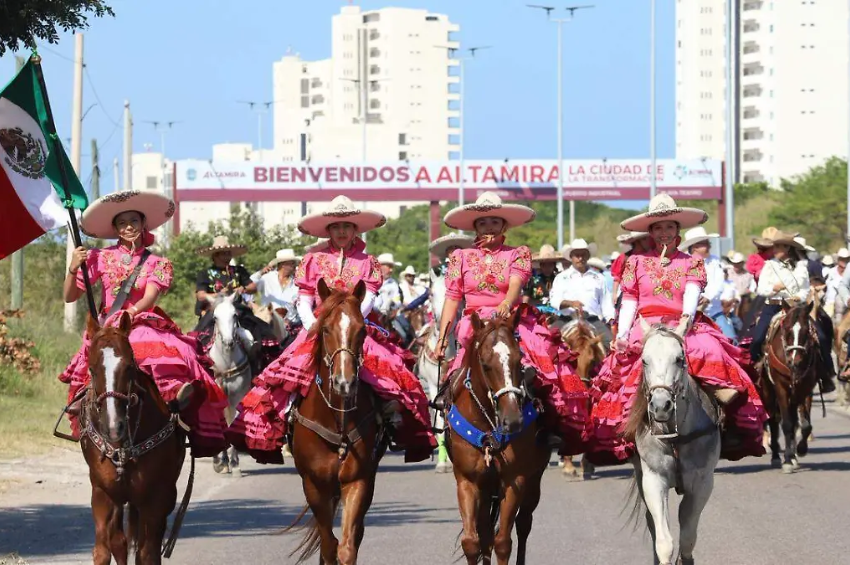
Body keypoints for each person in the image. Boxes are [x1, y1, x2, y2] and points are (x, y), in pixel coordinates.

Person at [227, 196, 436, 463]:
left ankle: (390, 417)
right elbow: (303, 298)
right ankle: (284, 419)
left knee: (388, 371)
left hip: (356, 326)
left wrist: (351, 321)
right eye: (336, 226)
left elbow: (369, 295)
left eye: (346, 226)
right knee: (287, 375)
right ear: (328, 230)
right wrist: (312, 325)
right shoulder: (313, 260)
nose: (341, 231)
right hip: (318, 326)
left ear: (355, 230)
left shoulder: (367, 261)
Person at [584, 194, 768, 464]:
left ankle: (720, 411)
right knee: (624, 366)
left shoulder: (691, 262)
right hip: (644, 323)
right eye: (658, 227)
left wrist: (685, 320)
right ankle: (624, 433)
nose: (664, 232)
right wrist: (622, 334)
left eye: (669, 227)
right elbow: (631, 299)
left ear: (677, 230)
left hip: (682, 323)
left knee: (711, 350)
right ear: (650, 231)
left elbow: (692, 292)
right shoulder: (635, 262)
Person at [59, 190, 227, 458]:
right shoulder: (99, 257)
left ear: (143, 224)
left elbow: (150, 296)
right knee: (96, 360)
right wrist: (73, 267)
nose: (128, 227)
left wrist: (130, 313)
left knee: (165, 350)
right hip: (107, 325)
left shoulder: (156, 262)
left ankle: (173, 399)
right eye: (122, 223)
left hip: (140, 319)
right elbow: (69, 296)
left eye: (134, 221)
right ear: (115, 228)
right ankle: (84, 405)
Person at [434, 192, 589, 455]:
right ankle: (449, 427)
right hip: (474, 324)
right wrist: (441, 339)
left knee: (542, 368)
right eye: (483, 223)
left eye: (495, 222)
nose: (489, 227)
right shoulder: (460, 257)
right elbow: (451, 299)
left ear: (504, 225)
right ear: (475, 227)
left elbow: (515, 285)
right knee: (456, 375)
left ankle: (549, 425)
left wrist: (505, 304)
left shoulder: (517, 254)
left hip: (511, 320)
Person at [750, 231, 836, 393]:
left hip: (796, 308)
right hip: (773, 305)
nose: (775, 249)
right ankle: (755, 373)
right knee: (757, 338)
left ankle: (826, 373)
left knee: (821, 336)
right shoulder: (769, 266)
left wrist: (799, 296)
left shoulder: (801, 267)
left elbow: (804, 290)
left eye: (779, 246)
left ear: (788, 248)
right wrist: (773, 289)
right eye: (774, 246)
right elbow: (761, 290)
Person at [192, 236, 278, 369]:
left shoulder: (238, 271)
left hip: (238, 310)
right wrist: (221, 293)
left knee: (262, 328)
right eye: (225, 253)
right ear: (215, 255)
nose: (228, 256)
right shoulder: (205, 273)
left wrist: (242, 288)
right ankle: (201, 367)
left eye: (229, 253)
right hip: (215, 310)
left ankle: (259, 362)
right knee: (197, 337)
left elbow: (253, 287)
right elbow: (201, 296)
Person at [549, 238, 615, 348]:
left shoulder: (599, 278)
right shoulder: (561, 277)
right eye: (577, 255)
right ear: (571, 257)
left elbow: (606, 302)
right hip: (567, 319)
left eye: (583, 255)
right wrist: (571, 303)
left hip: (592, 320)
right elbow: (554, 300)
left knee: (610, 343)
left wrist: (611, 318)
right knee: (547, 342)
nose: (580, 258)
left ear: (588, 256)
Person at [679, 227, 730, 337]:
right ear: (695, 247)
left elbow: (719, 283)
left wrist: (707, 297)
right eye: (705, 244)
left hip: (714, 312)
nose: (709, 246)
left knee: (731, 338)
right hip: (689, 314)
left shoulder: (715, 261)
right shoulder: (683, 262)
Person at [252, 248, 302, 330]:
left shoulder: (297, 284)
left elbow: (300, 310)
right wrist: (260, 272)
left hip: (290, 329)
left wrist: (292, 322)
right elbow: (249, 285)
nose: (295, 266)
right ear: (283, 264)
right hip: (267, 325)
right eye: (292, 263)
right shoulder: (266, 278)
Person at [611, 231, 651, 301]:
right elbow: (617, 277)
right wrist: (614, 294)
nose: (649, 241)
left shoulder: (651, 257)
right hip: (629, 296)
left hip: (647, 295)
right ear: (637, 241)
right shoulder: (624, 257)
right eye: (644, 239)